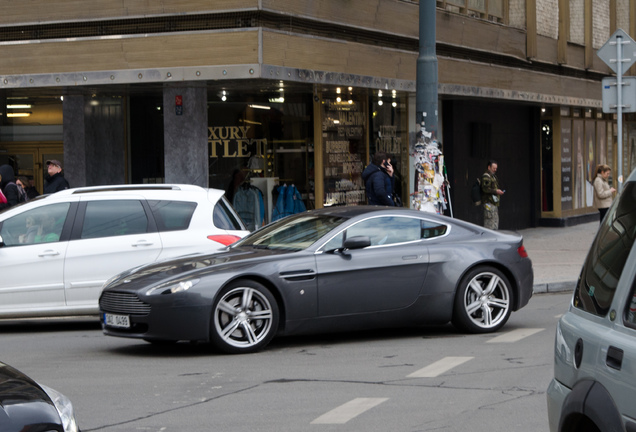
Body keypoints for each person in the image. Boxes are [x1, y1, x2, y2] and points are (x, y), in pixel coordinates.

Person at [480, 160, 505, 230]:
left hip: (493, 203)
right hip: (489, 203)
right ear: (489, 167)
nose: (495, 170)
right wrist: (496, 191)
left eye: (496, 168)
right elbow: (485, 188)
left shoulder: (493, 176)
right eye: (493, 168)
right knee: (489, 224)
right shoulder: (486, 176)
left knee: (494, 223)